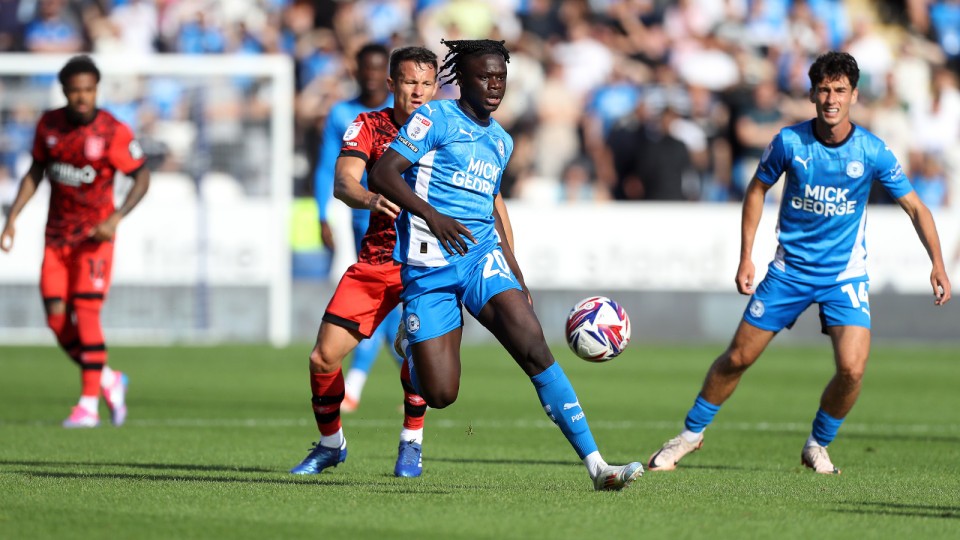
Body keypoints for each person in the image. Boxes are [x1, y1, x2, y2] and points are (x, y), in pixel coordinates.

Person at [647, 51, 952, 475]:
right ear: (811, 93)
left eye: (840, 90)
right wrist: (746, 256)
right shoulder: (790, 142)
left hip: (844, 276)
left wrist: (937, 263)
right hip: (789, 272)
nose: (831, 99)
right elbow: (756, 191)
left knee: (852, 368)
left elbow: (917, 207)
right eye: (824, 89)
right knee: (737, 358)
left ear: (854, 95)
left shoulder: (872, 150)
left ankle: (818, 443)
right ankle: (689, 436)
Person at [369, 38, 643, 491]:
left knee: (534, 345)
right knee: (440, 394)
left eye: (501, 77)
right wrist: (432, 216)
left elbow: (492, 209)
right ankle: (412, 346)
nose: (495, 85)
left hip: (480, 259)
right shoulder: (435, 117)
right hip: (429, 267)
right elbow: (383, 173)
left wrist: (515, 270)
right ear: (463, 80)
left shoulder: (501, 141)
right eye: (484, 76)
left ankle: (597, 465)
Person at [290, 46, 443, 478]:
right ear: (392, 84)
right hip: (376, 260)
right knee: (323, 357)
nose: (418, 91)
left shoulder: (449, 128)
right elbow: (342, 181)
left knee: (418, 354)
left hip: (430, 266)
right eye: (409, 82)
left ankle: (411, 443)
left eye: (426, 83)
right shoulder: (367, 125)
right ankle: (330, 444)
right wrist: (371, 197)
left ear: (435, 86)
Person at [0, 55, 150, 428]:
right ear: (65, 92)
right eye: (75, 91)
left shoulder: (112, 132)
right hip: (55, 239)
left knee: (85, 313)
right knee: (55, 320)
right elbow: (35, 171)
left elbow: (142, 177)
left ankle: (87, 405)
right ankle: (107, 379)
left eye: (89, 90)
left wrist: (115, 219)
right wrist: (13, 216)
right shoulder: (49, 125)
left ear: (96, 90)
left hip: (94, 240)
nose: (83, 97)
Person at [313, 42, 400, 412]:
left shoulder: (413, 118)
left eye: (378, 69)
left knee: (392, 306)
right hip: (360, 219)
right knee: (377, 304)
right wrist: (322, 213)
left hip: (401, 220)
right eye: (365, 69)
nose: (371, 75)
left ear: (388, 75)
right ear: (356, 71)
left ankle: (361, 385)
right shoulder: (345, 114)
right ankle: (410, 383)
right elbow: (327, 168)